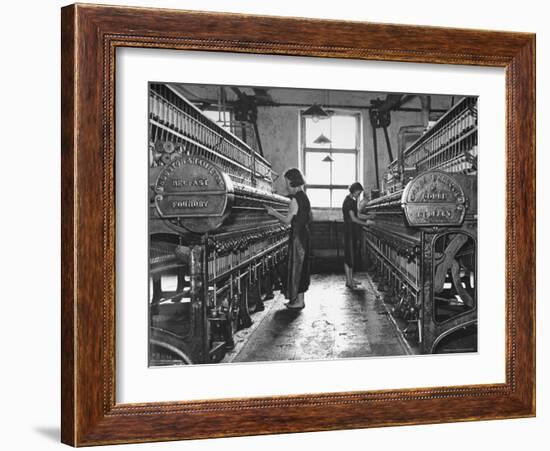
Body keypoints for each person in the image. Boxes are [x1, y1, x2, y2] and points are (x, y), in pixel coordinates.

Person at [265, 168, 311, 310]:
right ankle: (299, 301)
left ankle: (297, 302)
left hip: (297, 237)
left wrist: (273, 212)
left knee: (296, 267)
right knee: (301, 269)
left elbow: (287, 220)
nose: (286, 186)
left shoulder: (296, 199)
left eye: (287, 182)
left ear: (292, 182)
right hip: (304, 235)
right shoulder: (304, 196)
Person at [342, 182, 372, 289]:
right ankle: (348, 281)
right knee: (349, 256)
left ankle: (351, 279)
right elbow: (353, 219)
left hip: (353, 231)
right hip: (349, 232)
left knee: (352, 256)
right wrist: (366, 224)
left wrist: (370, 216)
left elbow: (358, 215)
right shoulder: (348, 202)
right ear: (354, 191)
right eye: (358, 193)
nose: (359, 195)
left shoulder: (353, 201)